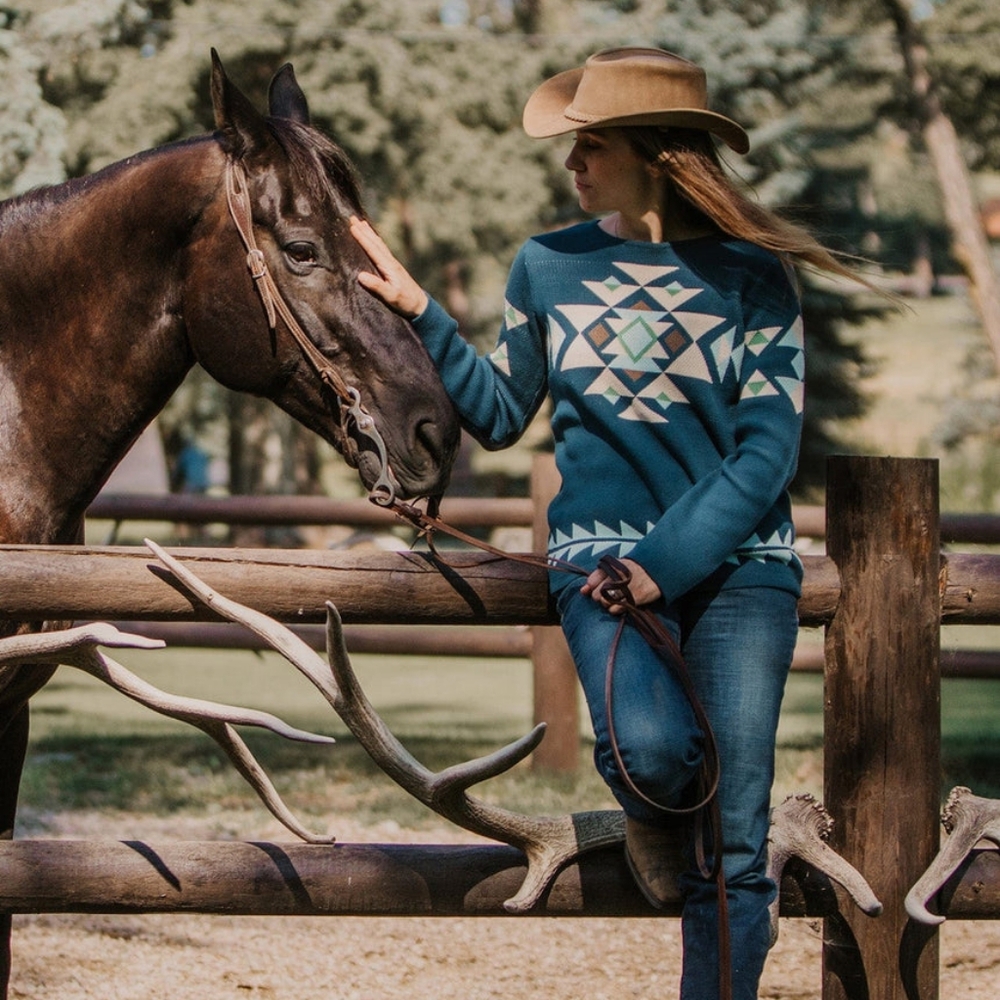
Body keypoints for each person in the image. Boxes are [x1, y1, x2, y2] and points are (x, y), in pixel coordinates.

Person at [351, 46, 864, 1000]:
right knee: (651, 755)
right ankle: (652, 816)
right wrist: (422, 311)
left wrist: (661, 564)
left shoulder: (756, 279)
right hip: (594, 566)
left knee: (737, 844)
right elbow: (502, 414)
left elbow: (764, 456)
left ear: (655, 153)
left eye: (589, 145)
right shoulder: (547, 265)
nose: (571, 165)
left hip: (744, 574)